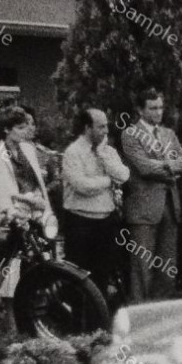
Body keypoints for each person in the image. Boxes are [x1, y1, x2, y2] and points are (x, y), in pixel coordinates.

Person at [120, 89, 182, 302]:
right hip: (143, 208)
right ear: (140, 110)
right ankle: (140, 312)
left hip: (170, 206)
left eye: (160, 107)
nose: (158, 112)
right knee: (143, 266)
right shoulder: (130, 134)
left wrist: (163, 165)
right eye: (153, 108)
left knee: (167, 265)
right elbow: (144, 168)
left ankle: (161, 311)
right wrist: (172, 168)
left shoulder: (168, 134)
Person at [61, 107, 130, 300]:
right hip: (80, 222)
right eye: (101, 127)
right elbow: (81, 185)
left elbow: (124, 175)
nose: (106, 131)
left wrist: (104, 157)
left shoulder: (108, 151)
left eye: (106, 127)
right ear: (87, 128)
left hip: (105, 222)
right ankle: (75, 324)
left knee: (102, 273)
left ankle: (98, 324)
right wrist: (108, 181)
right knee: (77, 275)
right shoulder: (72, 153)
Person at [0, 105, 49, 234]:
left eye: (25, 127)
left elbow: (36, 182)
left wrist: (39, 201)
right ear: (6, 129)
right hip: (8, 218)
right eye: (20, 128)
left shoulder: (28, 149)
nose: (25, 131)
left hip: (35, 215)